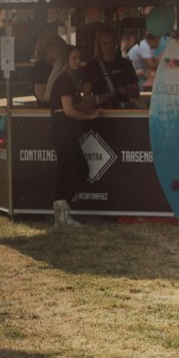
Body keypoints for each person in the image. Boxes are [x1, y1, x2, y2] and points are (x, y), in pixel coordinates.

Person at [50, 46, 100, 228]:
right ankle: (62, 215)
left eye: (79, 57)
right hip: (62, 130)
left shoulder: (67, 80)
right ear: (66, 60)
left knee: (68, 170)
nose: (78, 61)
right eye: (74, 58)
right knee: (78, 169)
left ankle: (62, 216)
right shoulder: (64, 80)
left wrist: (90, 106)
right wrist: (90, 116)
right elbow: (69, 110)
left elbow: (74, 105)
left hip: (65, 130)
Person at [83, 26, 138, 109]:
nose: (108, 46)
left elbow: (136, 94)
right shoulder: (92, 66)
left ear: (115, 43)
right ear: (99, 45)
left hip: (121, 111)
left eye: (111, 42)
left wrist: (126, 91)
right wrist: (97, 99)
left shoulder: (125, 64)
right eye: (105, 43)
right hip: (98, 111)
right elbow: (86, 95)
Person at [31, 33, 70, 104]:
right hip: (47, 106)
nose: (61, 53)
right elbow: (42, 96)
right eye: (59, 49)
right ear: (48, 50)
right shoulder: (41, 67)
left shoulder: (54, 65)